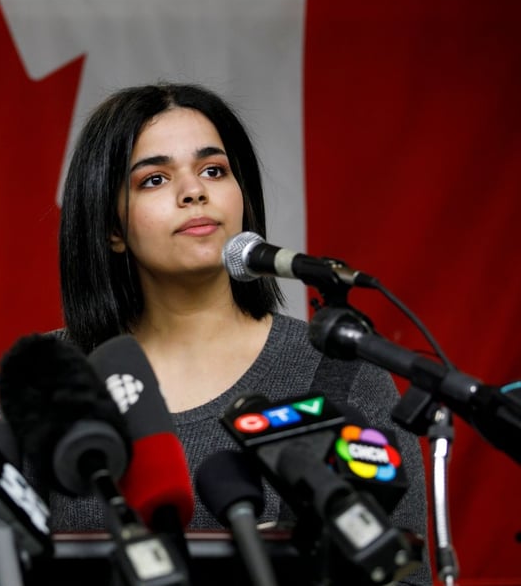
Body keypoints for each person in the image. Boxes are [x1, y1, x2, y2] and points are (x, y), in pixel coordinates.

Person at [51, 82, 431, 584]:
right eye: (154, 179)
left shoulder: (339, 369)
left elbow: (403, 574)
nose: (194, 191)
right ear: (112, 229)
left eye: (214, 170)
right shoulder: (51, 378)